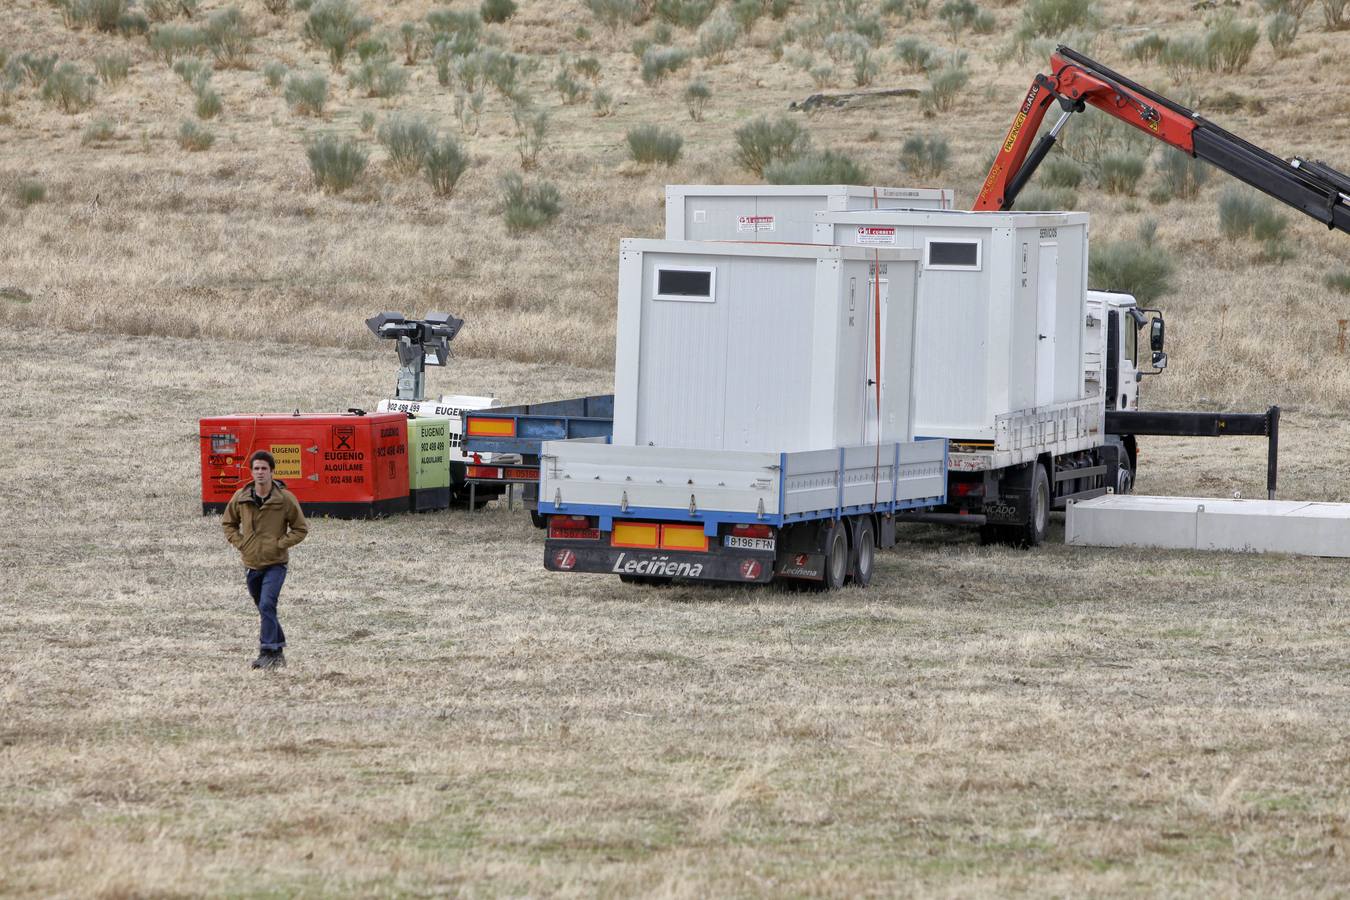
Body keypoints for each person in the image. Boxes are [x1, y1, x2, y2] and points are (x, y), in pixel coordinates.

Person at [222, 450, 309, 670]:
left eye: (264, 468)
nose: (260, 472)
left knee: (267, 603)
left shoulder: (285, 499)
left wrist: (280, 544)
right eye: (256, 468)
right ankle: (277, 650)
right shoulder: (241, 497)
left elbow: (300, 528)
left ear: (272, 471)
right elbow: (228, 524)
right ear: (251, 472)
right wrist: (241, 543)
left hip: (276, 563)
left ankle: (267, 651)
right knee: (264, 608)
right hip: (251, 562)